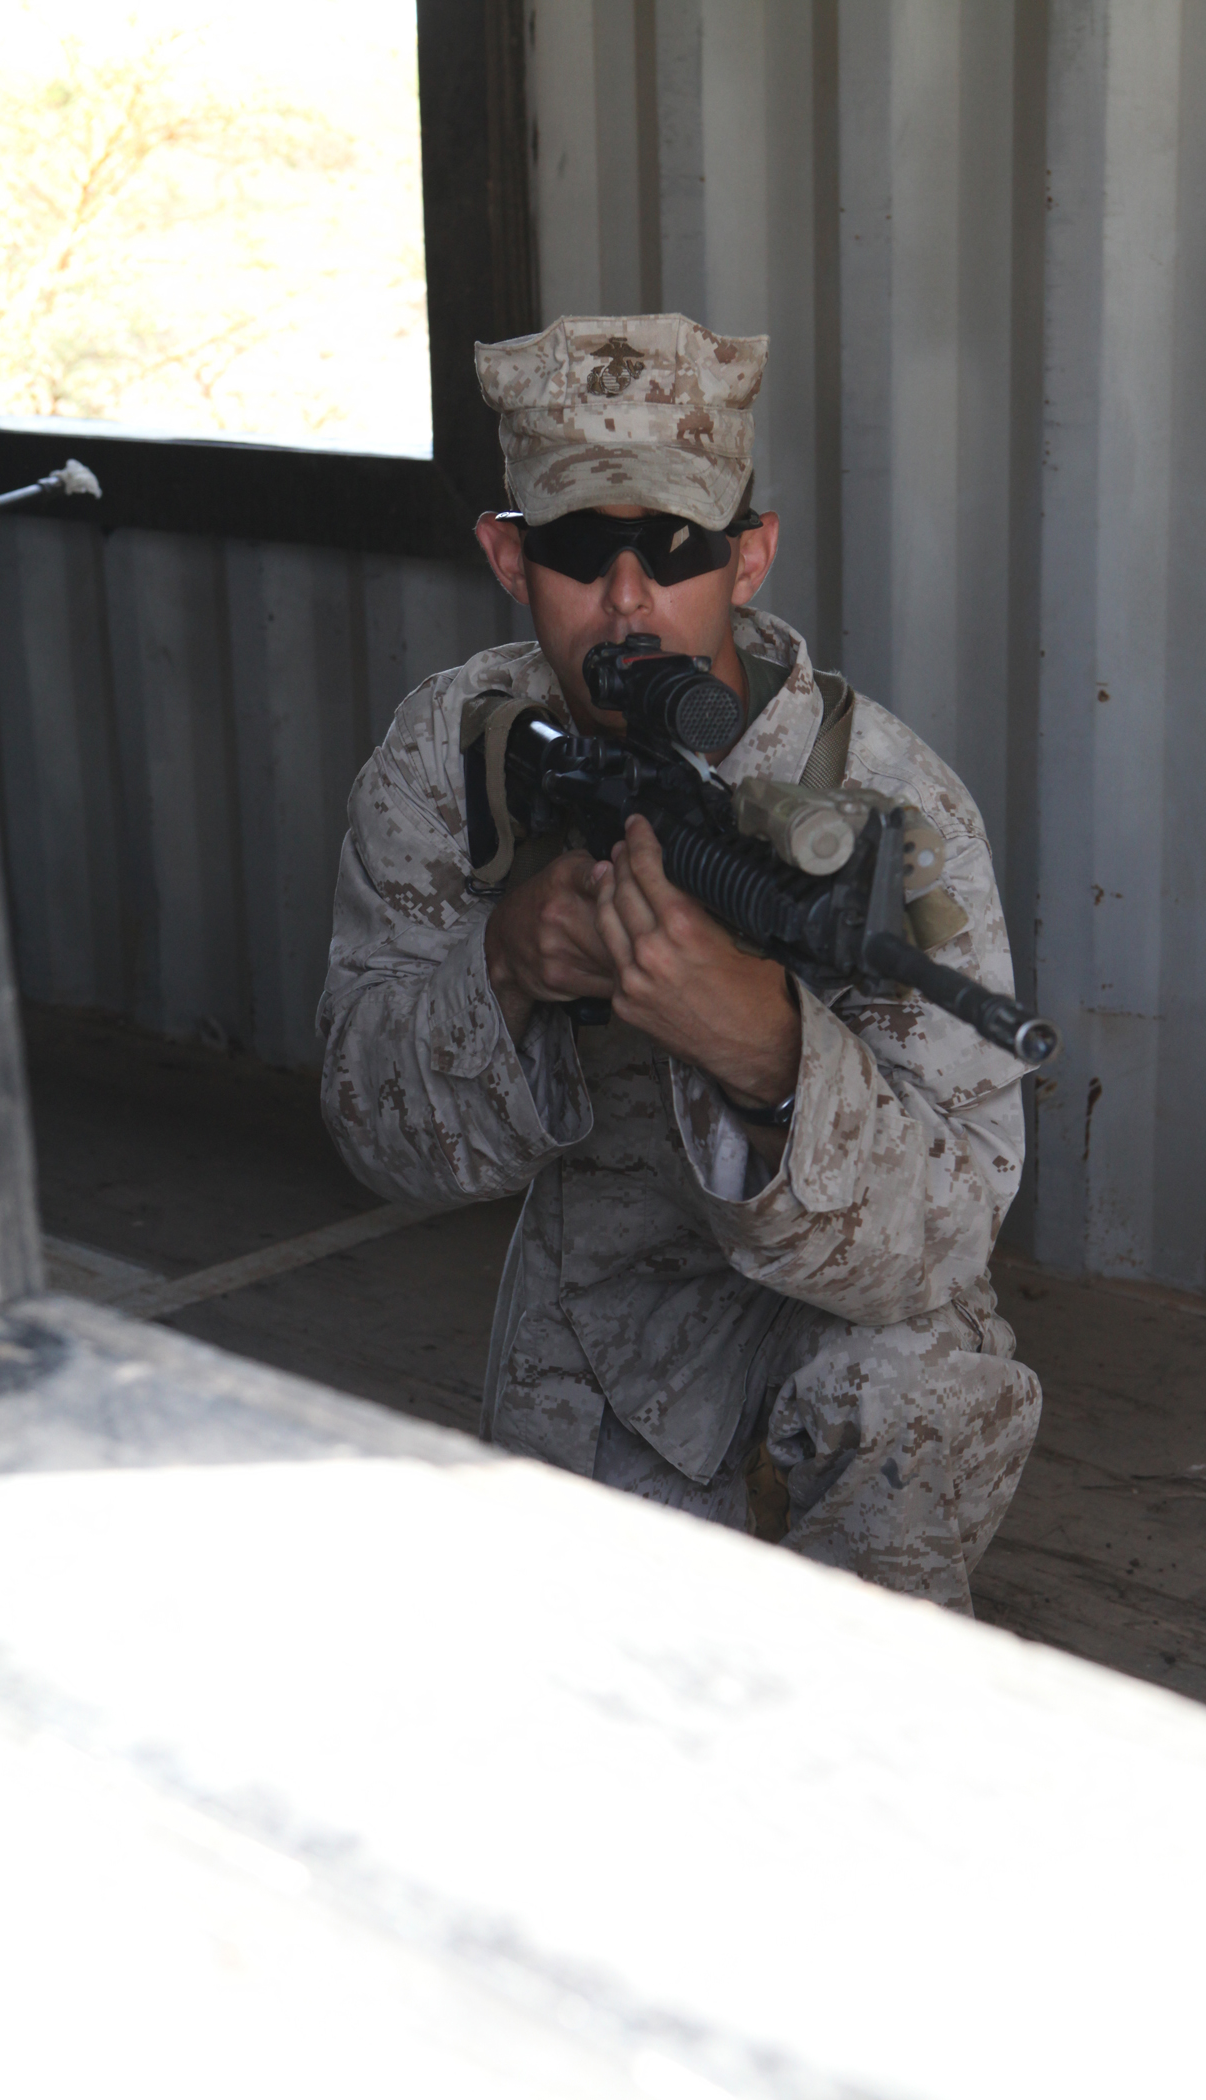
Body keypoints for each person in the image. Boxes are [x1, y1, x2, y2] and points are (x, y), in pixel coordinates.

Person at [318, 312, 1041, 1610]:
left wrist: (763, 1050)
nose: (631, 601)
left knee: (934, 1390)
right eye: (581, 552)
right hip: (595, 1308)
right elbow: (380, 1136)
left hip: (838, 1324)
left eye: (678, 549)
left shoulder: (889, 806)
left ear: (750, 555)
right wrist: (508, 964)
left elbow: (947, 1232)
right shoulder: (460, 749)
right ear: (507, 555)